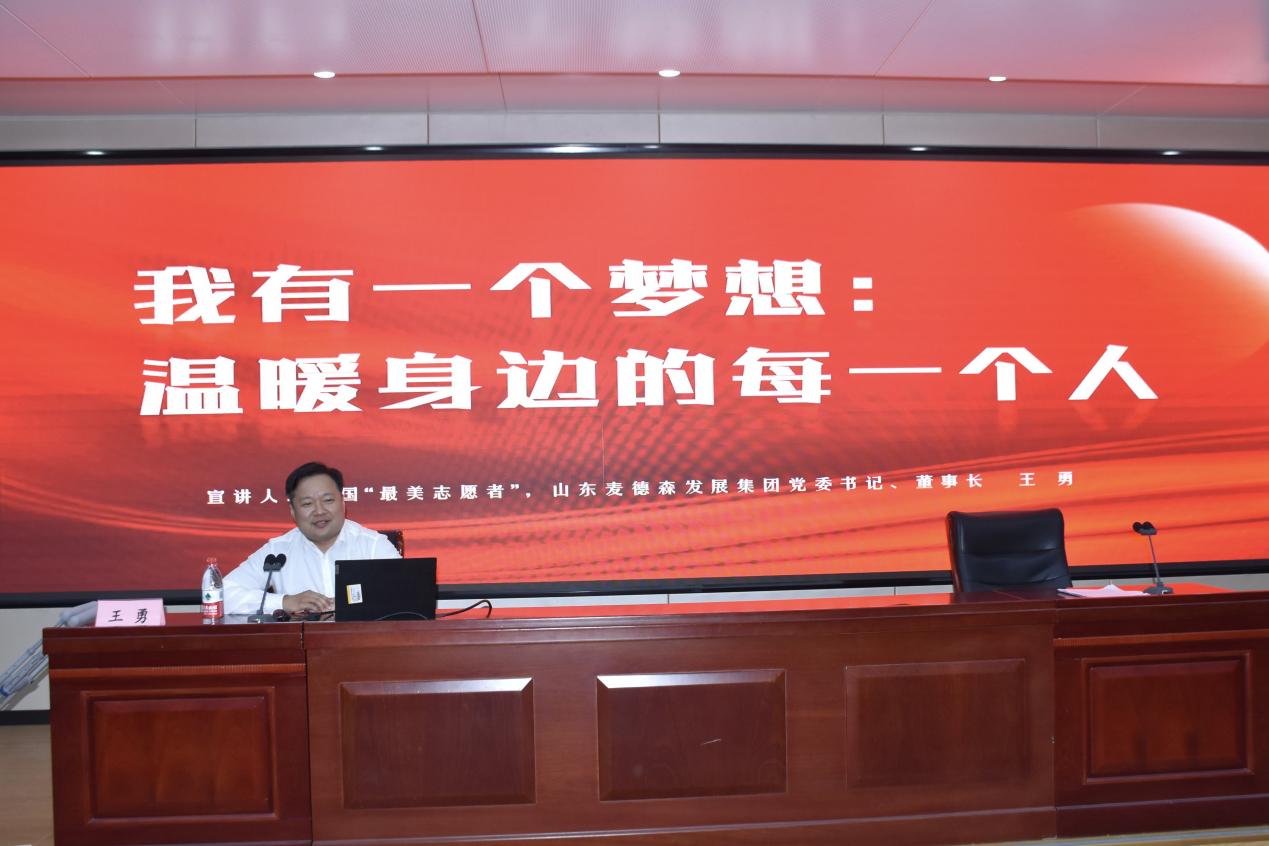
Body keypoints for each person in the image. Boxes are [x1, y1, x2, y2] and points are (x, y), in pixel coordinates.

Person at [223, 461, 400, 616]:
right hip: (298, 643)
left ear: (343, 502)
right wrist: (284, 602)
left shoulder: (373, 546)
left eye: (328, 500)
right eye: (307, 503)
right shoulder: (277, 552)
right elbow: (223, 594)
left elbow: (405, 593)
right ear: (293, 511)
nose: (319, 511)